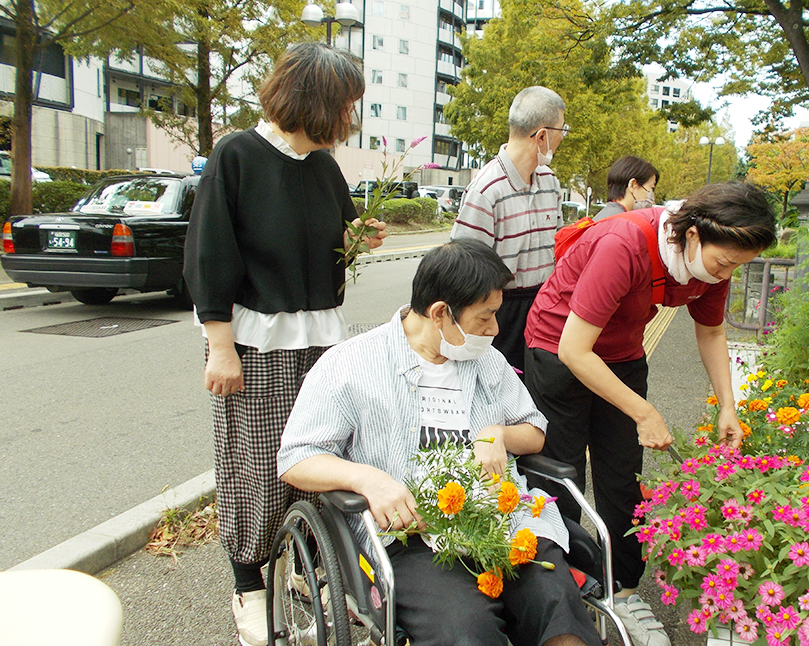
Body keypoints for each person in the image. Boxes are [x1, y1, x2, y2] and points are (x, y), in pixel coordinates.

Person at [277, 239, 602, 646]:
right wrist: (368, 480)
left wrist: (496, 433)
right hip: (411, 536)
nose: (495, 330)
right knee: (466, 629)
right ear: (440, 314)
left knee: (558, 610)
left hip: (502, 522)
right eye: (485, 318)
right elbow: (296, 458)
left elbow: (534, 431)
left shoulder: (487, 361)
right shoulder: (349, 366)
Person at [181, 43, 387, 646]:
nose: (351, 117)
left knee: (319, 457)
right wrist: (220, 346)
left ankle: (308, 570)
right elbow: (208, 254)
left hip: (319, 338)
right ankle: (249, 587)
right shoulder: (238, 155)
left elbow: (332, 234)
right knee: (255, 465)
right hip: (254, 341)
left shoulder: (321, 166)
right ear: (317, 102)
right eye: (347, 104)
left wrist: (357, 238)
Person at [524, 182, 777, 646]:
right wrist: (643, 411)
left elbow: (713, 333)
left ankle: (622, 591)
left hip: (620, 352)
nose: (726, 275)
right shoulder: (625, 243)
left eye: (738, 267)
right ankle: (555, 591)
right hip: (559, 349)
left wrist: (728, 406)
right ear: (694, 235)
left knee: (623, 476)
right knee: (560, 474)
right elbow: (575, 350)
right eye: (725, 263)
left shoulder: (707, 269)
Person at [451, 86, 567, 374]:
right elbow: (463, 269)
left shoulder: (550, 181)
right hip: (502, 310)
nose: (563, 137)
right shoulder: (486, 190)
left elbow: (559, 243)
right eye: (562, 129)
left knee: (539, 395)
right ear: (542, 136)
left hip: (545, 303)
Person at [592, 156, 660, 221]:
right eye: (651, 188)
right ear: (633, 185)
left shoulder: (600, 217)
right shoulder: (623, 223)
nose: (652, 196)